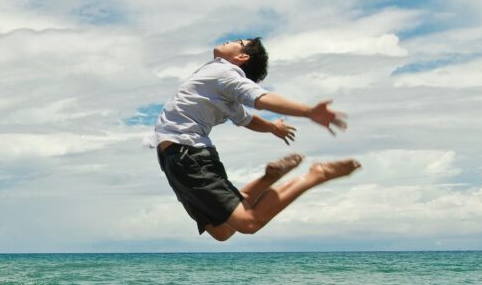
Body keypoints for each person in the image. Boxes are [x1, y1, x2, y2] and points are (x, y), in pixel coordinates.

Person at [147, 37, 361, 241]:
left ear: (242, 57)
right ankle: (268, 178)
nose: (230, 41)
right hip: (173, 158)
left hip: (187, 155)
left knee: (249, 222)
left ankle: (317, 175)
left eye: (239, 42)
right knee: (221, 231)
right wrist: (272, 127)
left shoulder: (227, 74)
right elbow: (247, 119)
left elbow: (261, 98)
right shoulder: (219, 84)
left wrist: (308, 112)